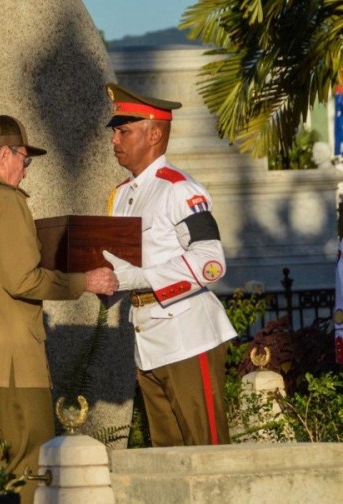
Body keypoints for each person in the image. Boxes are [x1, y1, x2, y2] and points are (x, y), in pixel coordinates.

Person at [0, 114, 118, 502]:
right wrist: (86, 281)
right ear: (4, 155)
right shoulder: (5, 200)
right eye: (24, 160)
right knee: (31, 472)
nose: (25, 172)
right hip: (12, 366)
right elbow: (24, 280)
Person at [102, 83, 237, 447]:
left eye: (124, 130)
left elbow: (210, 263)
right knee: (168, 458)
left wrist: (140, 277)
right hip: (148, 340)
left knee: (206, 451)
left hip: (188, 336)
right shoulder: (121, 195)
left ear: (155, 133)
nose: (115, 140)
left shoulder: (179, 189)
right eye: (115, 131)